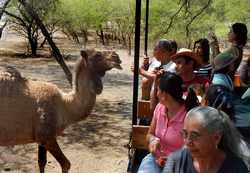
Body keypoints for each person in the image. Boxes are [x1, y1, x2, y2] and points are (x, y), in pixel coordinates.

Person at [137, 72, 199, 173]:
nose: (156, 93)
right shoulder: (160, 108)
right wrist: (152, 140)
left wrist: (173, 160)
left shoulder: (189, 116)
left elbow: (194, 149)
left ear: (164, 95)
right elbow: (150, 134)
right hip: (156, 159)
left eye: (158, 90)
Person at [163, 106, 250, 173]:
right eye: (185, 134)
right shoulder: (176, 162)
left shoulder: (236, 168)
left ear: (216, 138)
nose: (188, 142)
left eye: (194, 136)